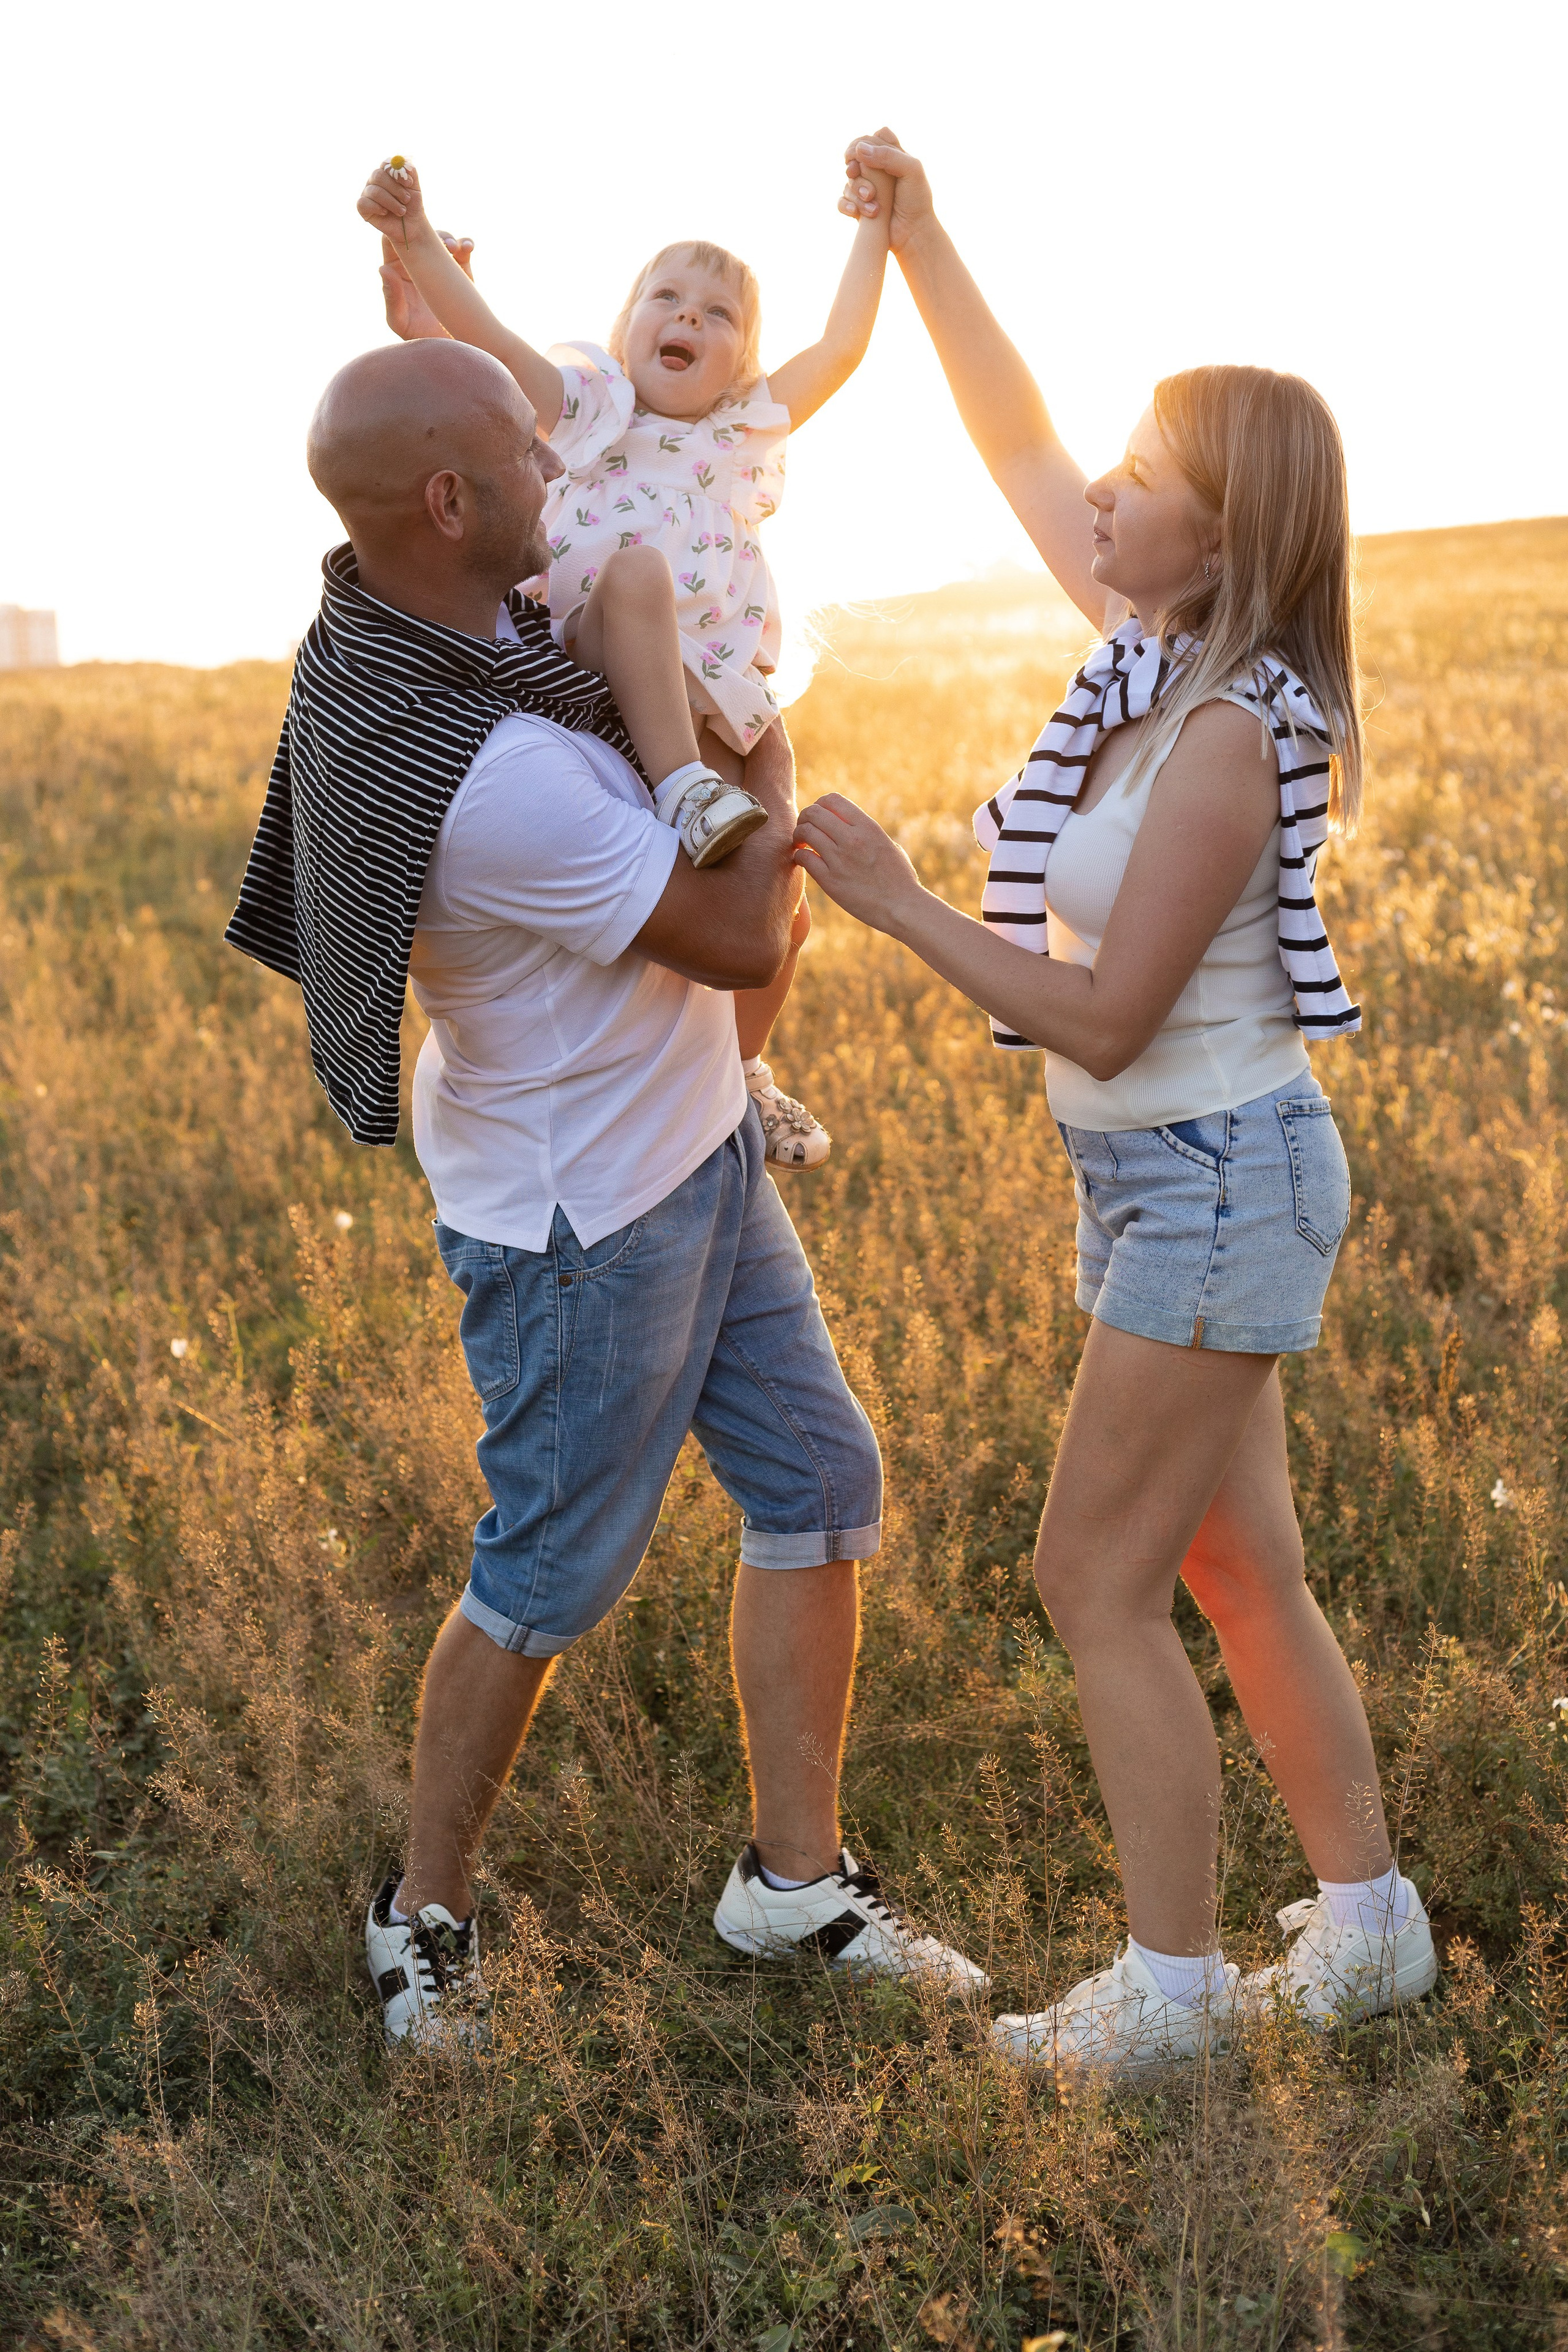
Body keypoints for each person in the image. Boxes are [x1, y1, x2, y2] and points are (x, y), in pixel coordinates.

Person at [227, 331, 987, 2044]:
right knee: (545, 1579)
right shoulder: (483, 771)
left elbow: (639, 651)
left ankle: (793, 1884)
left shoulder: (462, 627)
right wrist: (766, 775)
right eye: (528, 453)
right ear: (447, 502)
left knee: (819, 1481)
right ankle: (420, 1915)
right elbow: (734, 934)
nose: (561, 473)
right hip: (589, 1221)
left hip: (695, 1138)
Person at [792, 134, 1439, 2077]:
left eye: (1143, 479)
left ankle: (1171, 1999)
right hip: (1186, 1174)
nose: (1103, 494)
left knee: (1095, 1576)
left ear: (1221, 539)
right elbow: (1015, 434)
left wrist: (901, 902)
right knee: (1239, 1566)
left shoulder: (1229, 734)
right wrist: (919, 238)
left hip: (1218, 1172)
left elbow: (1105, 1012)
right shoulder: (1148, 659)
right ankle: (1370, 1928)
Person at [353, 148, 895, 1172]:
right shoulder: (589, 410)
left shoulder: (742, 432)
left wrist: (879, 225)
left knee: (776, 909)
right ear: (626, 325)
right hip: (602, 647)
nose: (689, 317)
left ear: (741, 363)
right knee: (639, 572)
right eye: (668, 298)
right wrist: (419, 244)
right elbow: (492, 343)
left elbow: (844, 345)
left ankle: (744, 1071)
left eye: (719, 314)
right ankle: (682, 789)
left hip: (713, 693)